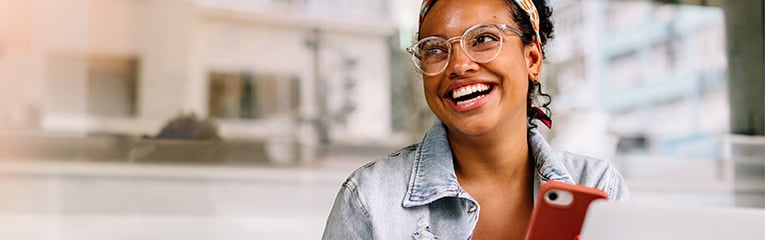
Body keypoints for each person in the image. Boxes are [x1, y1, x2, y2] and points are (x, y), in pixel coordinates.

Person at [322, 0, 630, 239]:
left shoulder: (597, 188)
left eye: (483, 39)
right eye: (435, 49)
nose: (458, 65)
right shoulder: (369, 199)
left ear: (532, 59)